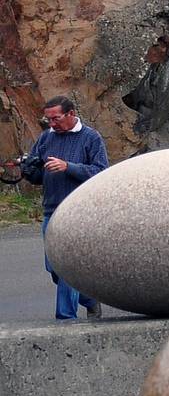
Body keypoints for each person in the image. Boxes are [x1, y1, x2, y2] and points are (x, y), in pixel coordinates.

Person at [18, 96, 110, 321]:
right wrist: (29, 170)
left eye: (56, 118)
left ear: (70, 114)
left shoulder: (91, 138)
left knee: (67, 266)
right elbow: (40, 176)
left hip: (80, 212)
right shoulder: (46, 138)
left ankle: (66, 319)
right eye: (48, 119)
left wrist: (68, 167)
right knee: (54, 269)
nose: (51, 124)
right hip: (52, 210)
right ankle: (89, 299)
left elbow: (101, 173)